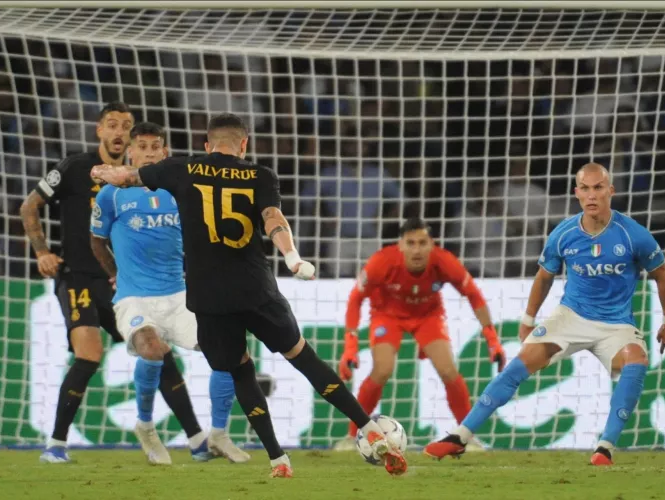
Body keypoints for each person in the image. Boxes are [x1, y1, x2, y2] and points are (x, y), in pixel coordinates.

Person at [89, 113, 407, 478]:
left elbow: (124, 177)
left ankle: (277, 459)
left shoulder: (182, 169)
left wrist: (103, 172)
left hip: (208, 299)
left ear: (207, 146)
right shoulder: (260, 175)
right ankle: (368, 428)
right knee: (303, 357)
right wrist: (292, 257)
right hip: (255, 289)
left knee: (239, 370)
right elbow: (273, 217)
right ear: (244, 145)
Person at [425, 163, 665, 465]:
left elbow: (661, 273)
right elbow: (545, 276)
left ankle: (605, 447)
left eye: (598, 187)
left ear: (610, 191)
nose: (592, 195)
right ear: (576, 193)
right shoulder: (564, 234)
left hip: (616, 325)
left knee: (636, 362)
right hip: (570, 318)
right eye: (585, 188)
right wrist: (527, 319)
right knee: (518, 366)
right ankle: (460, 437)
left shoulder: (633, 234)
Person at [90, 121, 248, 464]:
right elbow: (96, 240)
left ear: (165, 153)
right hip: (134, 297)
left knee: (224, 351)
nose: (148, 152)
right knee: (152, 348)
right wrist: (115, 275)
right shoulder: (112, 194)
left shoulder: (180, 190)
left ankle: (218, 434)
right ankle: (145, 426)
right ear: (130, 151)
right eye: (141, 146)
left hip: (180, 296)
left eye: (155, 147)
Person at [20, 102, 133, 463]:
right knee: (89, 353)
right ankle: (55, 444)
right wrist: (42, 252)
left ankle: (193, 440)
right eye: (112, 125)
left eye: (126, 127)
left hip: (122, 282)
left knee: (154, 351)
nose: (119, 132)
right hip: (78, 278)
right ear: (99, 130)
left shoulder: (137, 178)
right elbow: (29, 206)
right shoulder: (74, 167)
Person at [334, 218, 506, 451]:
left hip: (428, 316)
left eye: (422, 243)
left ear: (432, 244)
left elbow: (474, 295)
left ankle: (466, 437)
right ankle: (352, 435)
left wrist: (493, 340)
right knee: (382, 370)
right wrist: (350, 347)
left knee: (448, 370)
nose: (417, 249)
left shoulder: (444, 261)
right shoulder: (382, 262)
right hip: (387, 315)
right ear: (401, 245)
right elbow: (355, 299)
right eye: (411, 243)